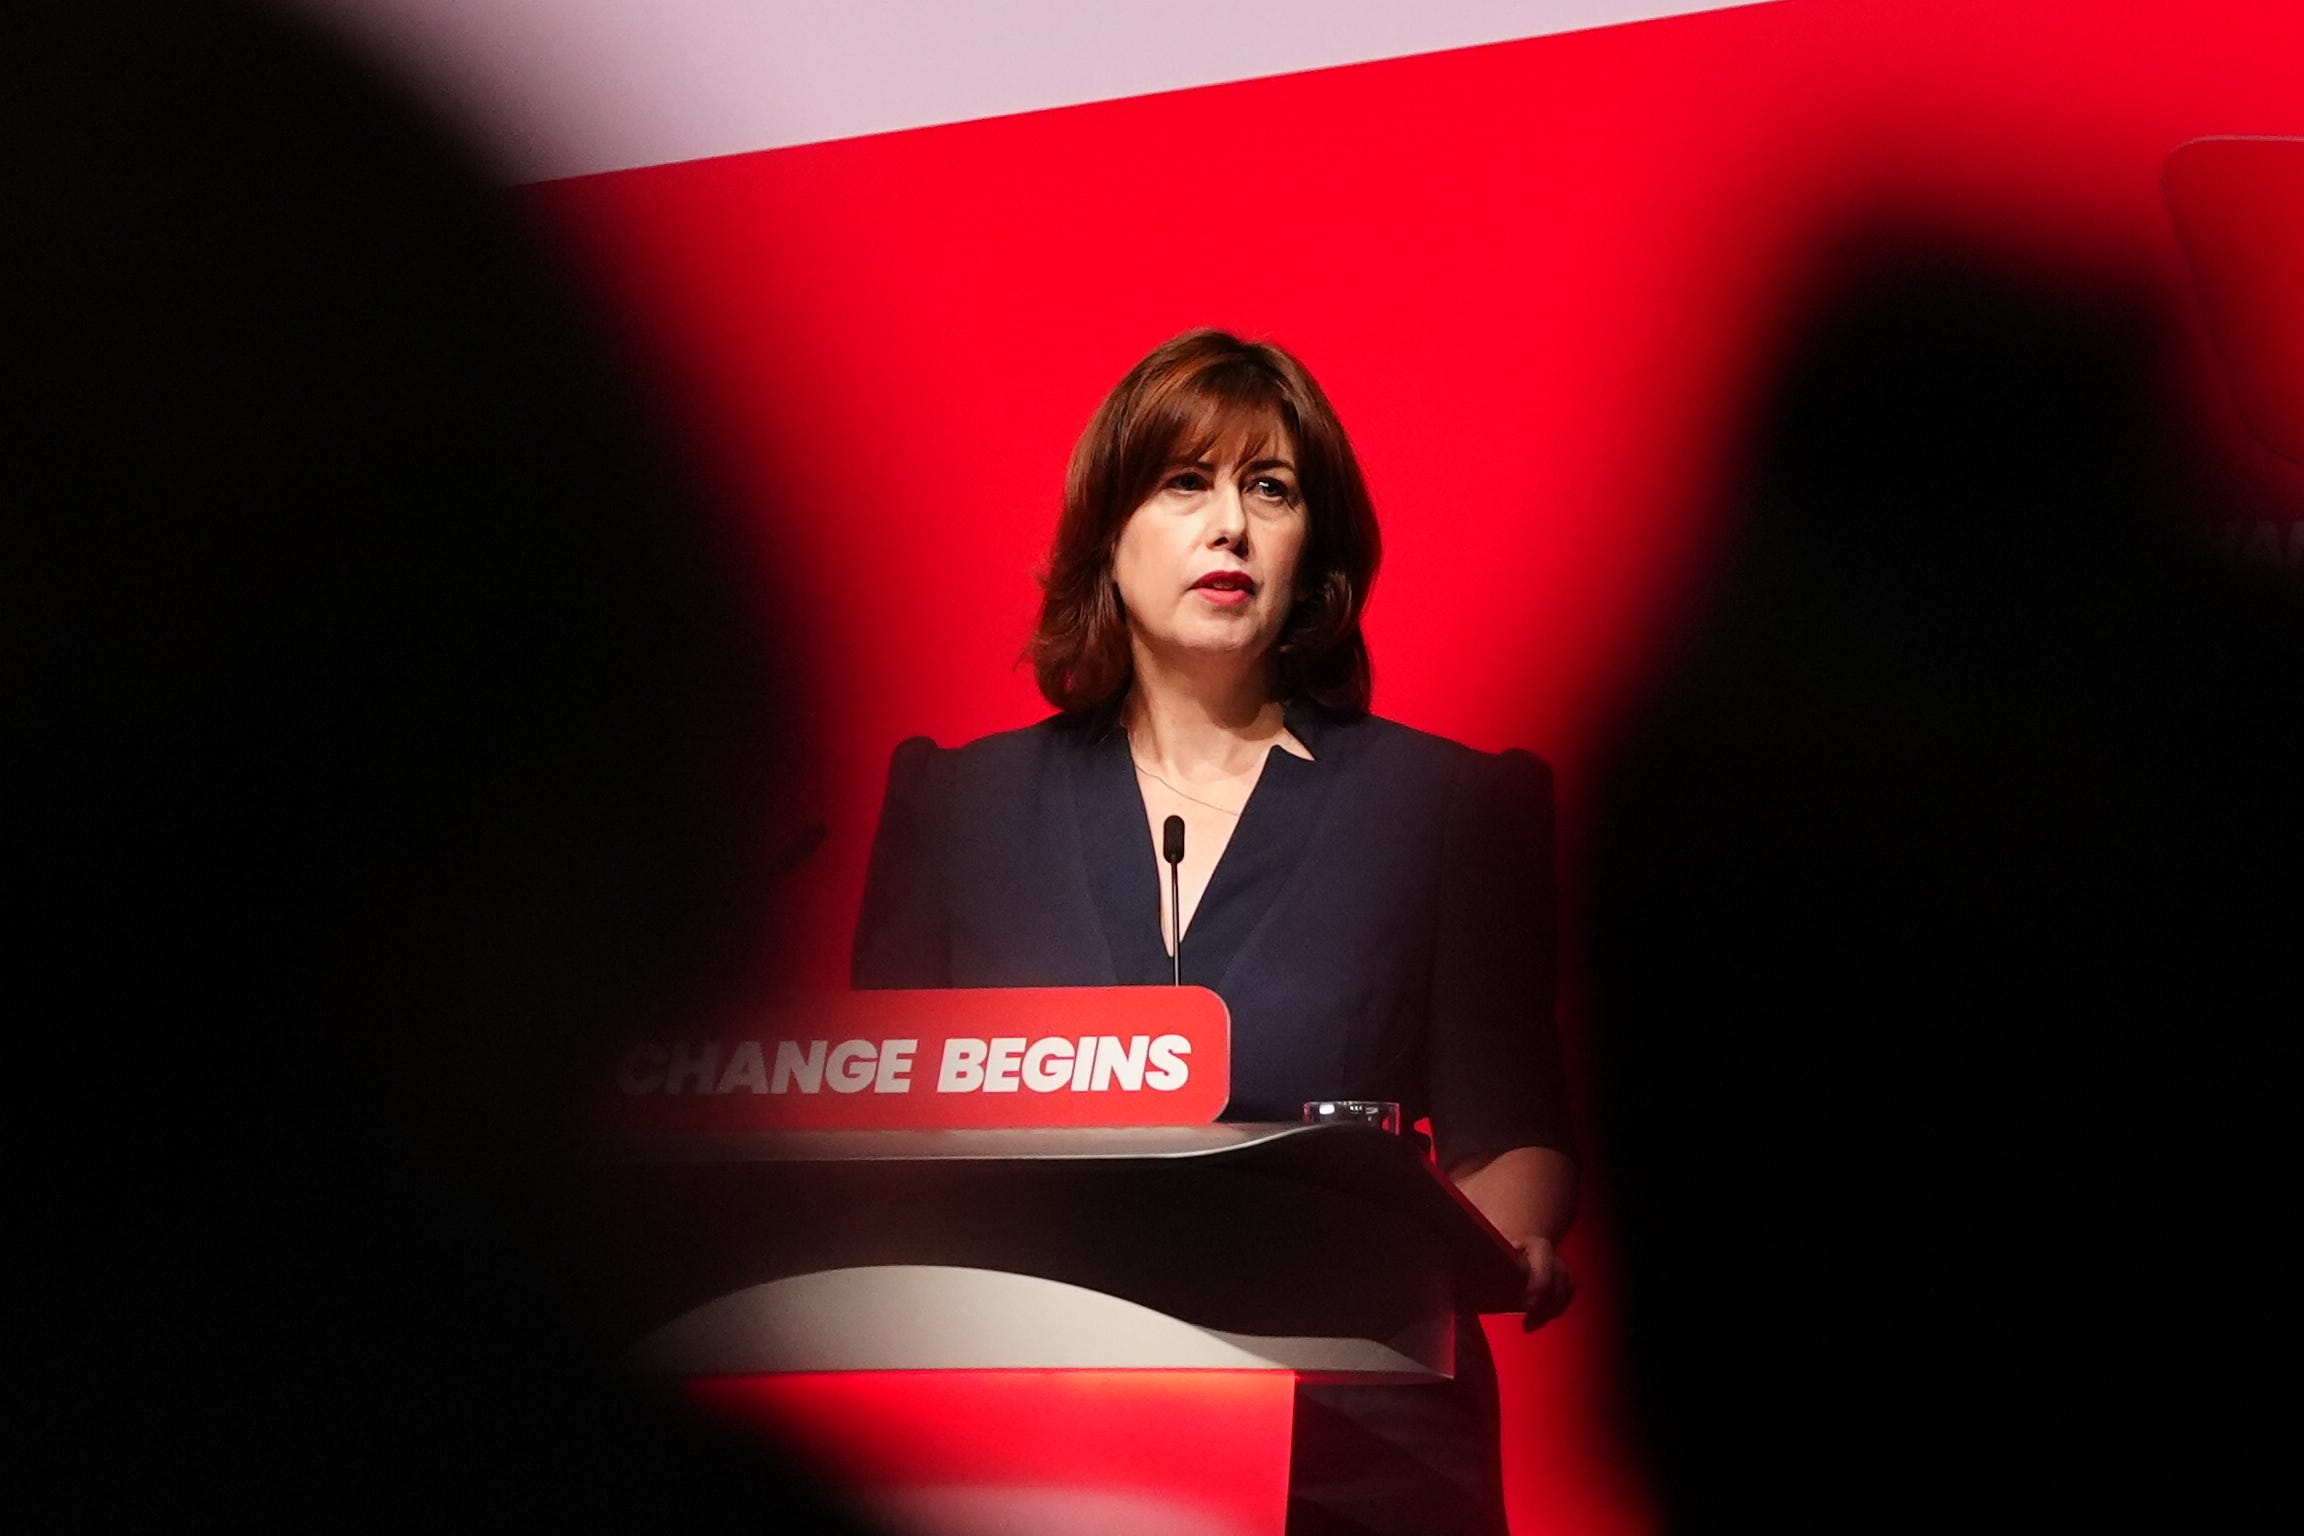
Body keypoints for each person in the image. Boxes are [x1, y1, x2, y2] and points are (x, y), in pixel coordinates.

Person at [852, 327, 1575, 1535]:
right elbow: (878, 1138)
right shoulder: (959, 808)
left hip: (1362, 1438)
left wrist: (1519, 1232)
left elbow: (1510, 1130)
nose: (1229, 526)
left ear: (1313, 549)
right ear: (1110, 530)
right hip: (1035, 1441)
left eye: (1270, 490)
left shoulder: (1448, 808)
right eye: (1186, 483)